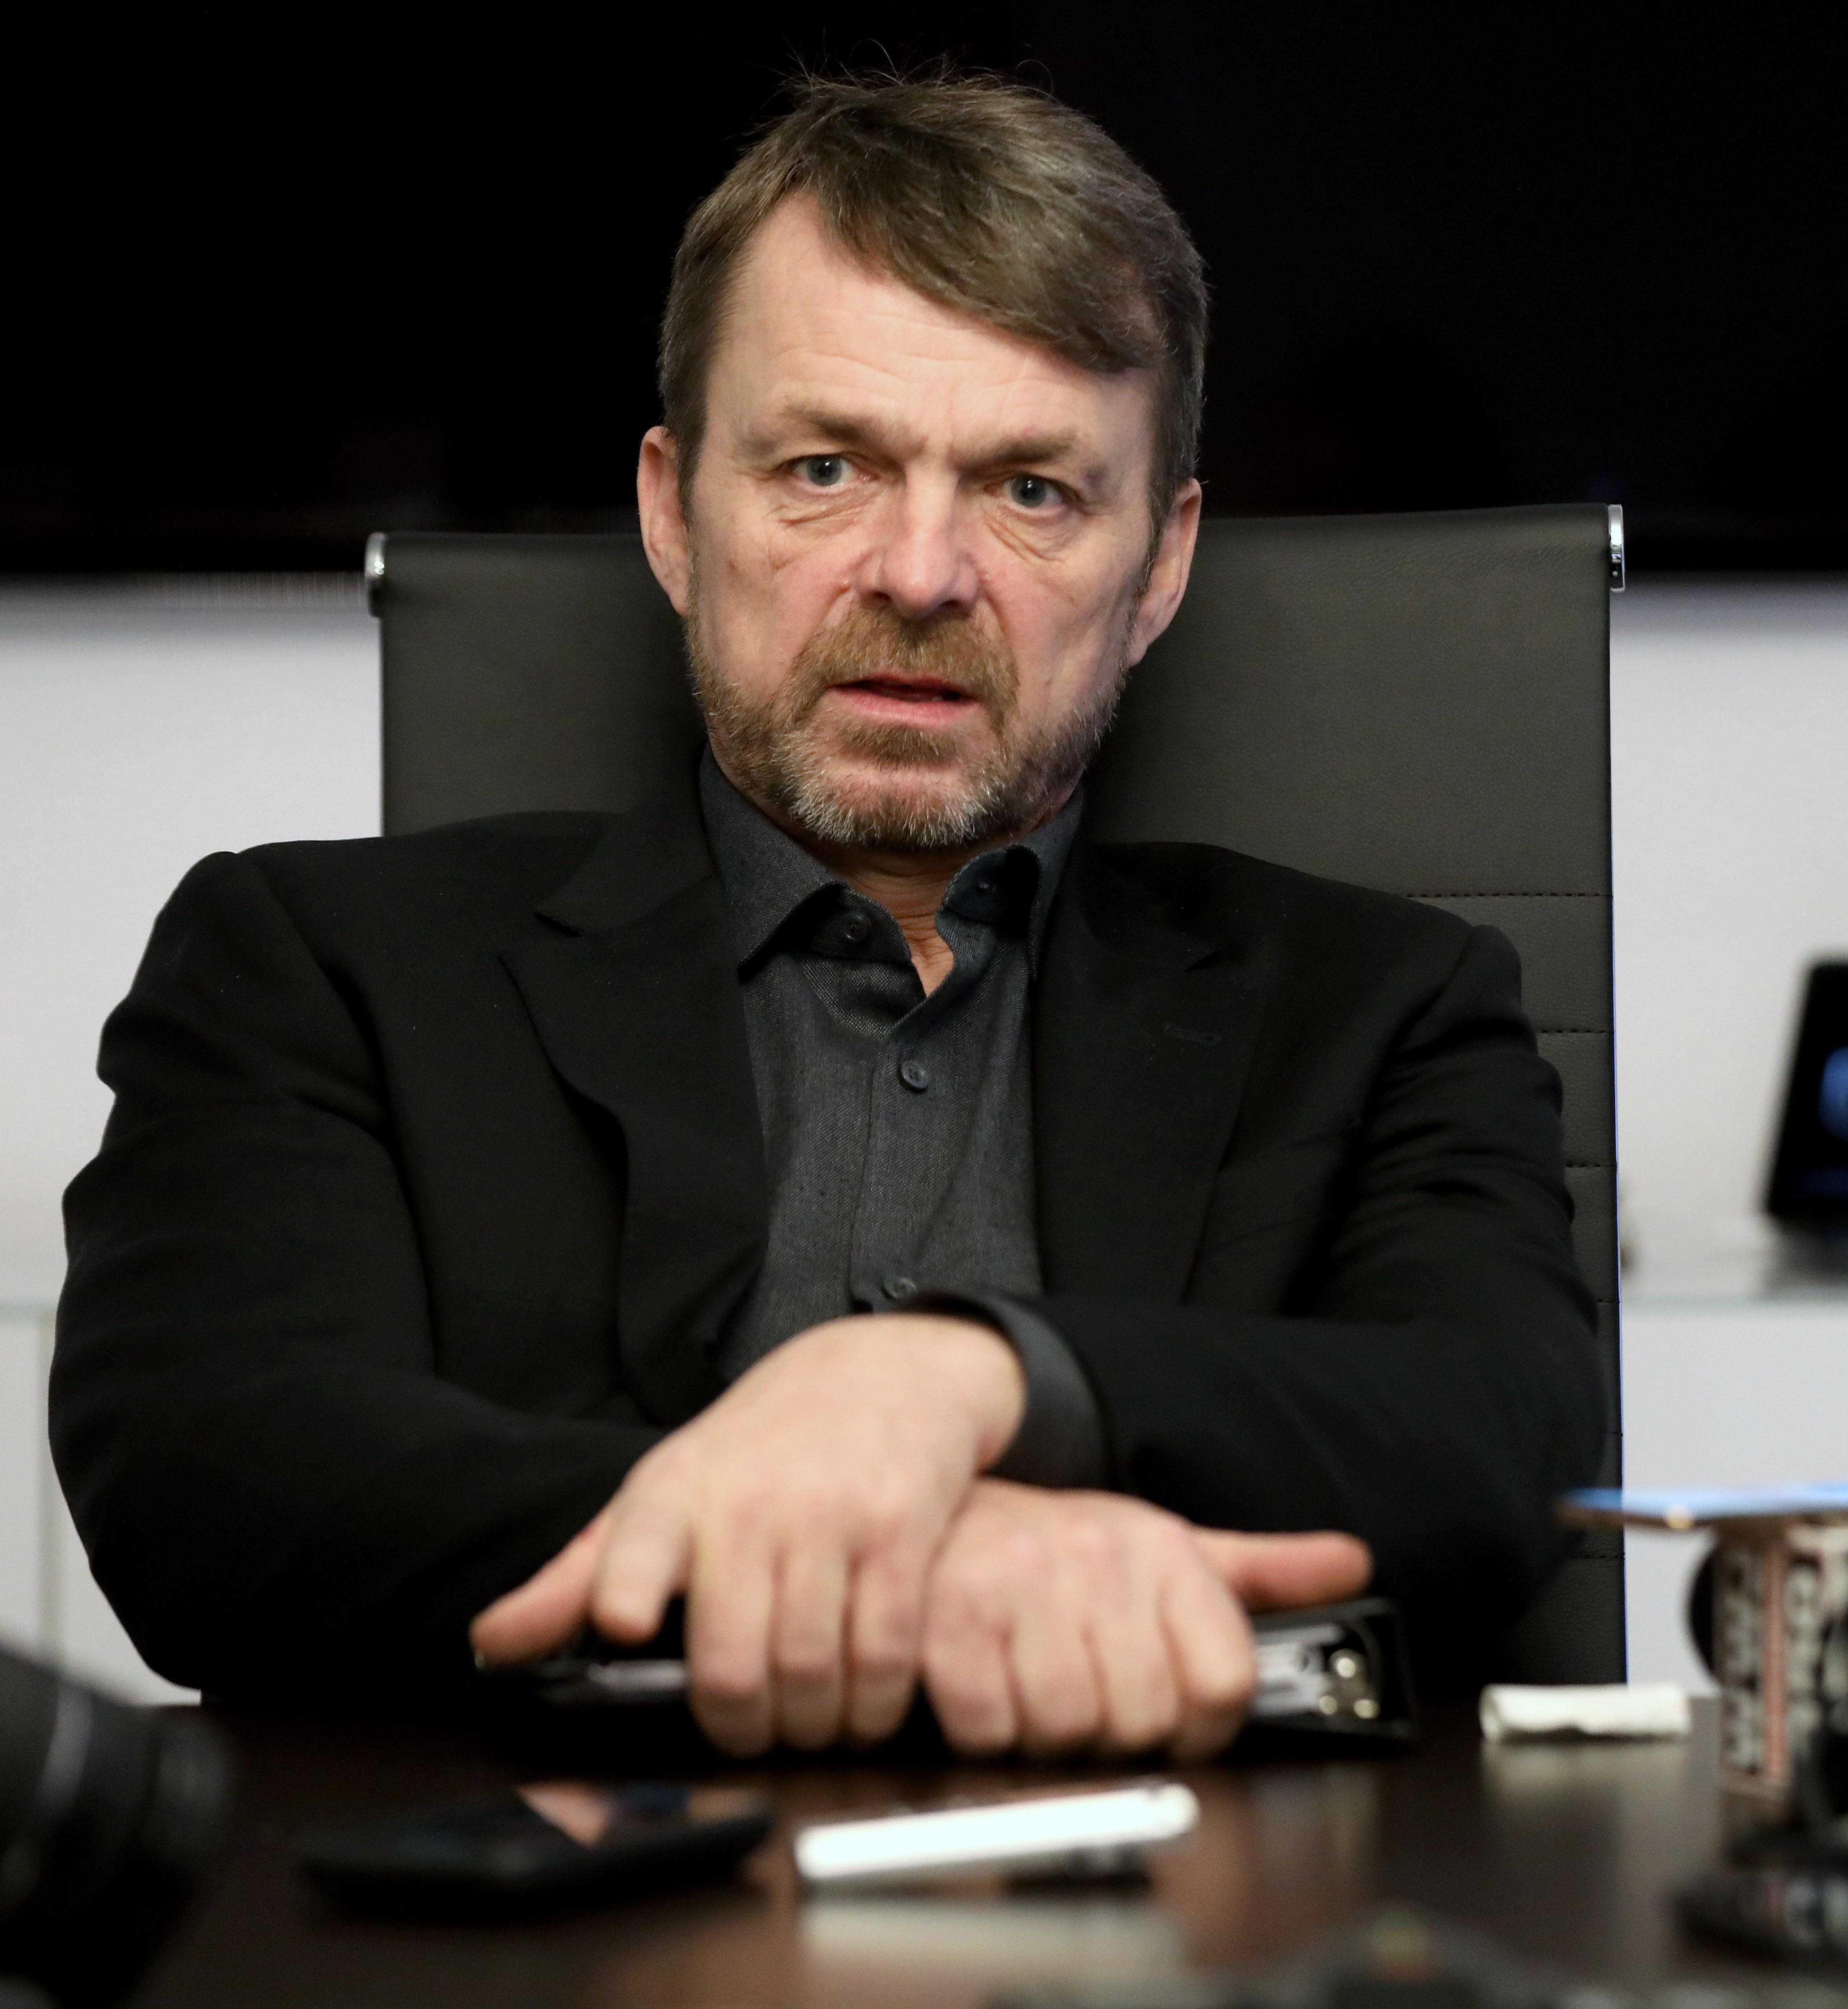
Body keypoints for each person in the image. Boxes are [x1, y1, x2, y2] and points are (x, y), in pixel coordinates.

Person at [50, 74, 1602, 1762]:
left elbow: (1501, 1442)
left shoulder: (1387, 1005)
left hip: (1193, 1889)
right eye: (826, 467)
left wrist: (974, 1380)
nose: (921, 575)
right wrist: (922, 1561)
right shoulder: (311, 963)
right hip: (556, 1886)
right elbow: (207, 1474)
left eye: (1032, 490)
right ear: (672, 513)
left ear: (1160, 565)